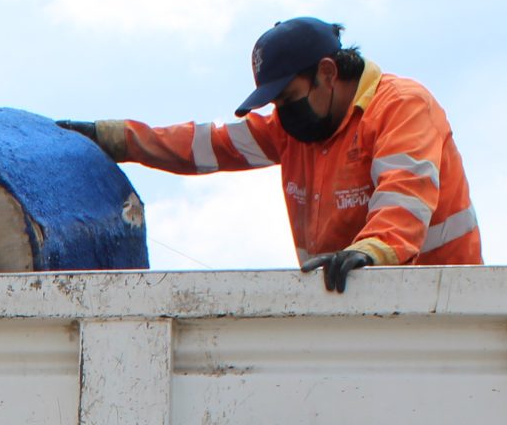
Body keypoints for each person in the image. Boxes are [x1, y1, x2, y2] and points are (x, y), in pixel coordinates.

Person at [65, 16, 480, 291]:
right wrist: (113, 139)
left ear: (328, 73)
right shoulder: (294, 129)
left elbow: (405, 195)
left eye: (288, 97)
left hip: (443, 304)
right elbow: (206, 144)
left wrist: (371, 251)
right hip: (351, 304)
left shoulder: (402, 107)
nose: (281, 112)